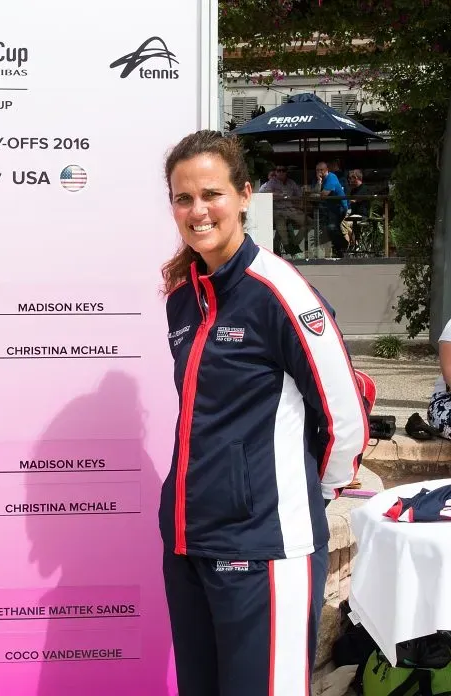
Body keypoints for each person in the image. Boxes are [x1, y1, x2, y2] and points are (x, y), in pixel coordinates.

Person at [159, 130, 368, 696]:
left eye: (212, 194)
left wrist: (309, 492)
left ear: (245, 195)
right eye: (183, 198)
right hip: (190, 545)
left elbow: (344, 414)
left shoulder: (279, 291)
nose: (198, 211)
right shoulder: (184, 297)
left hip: (264, 547)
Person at [258, 165, 305, 255]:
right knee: (281, 223)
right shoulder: (271, 183)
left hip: (291, 210)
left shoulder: (291, 183)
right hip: (277, 210)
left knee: (309, 222)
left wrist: (298, 207)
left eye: (283, 170)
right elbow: (265, 194)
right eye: (278, 170)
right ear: (275, 172)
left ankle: (293, 244)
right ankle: (285, 247)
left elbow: (299, 195)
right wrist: (280, 195)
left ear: (286, 172)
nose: (281, 172)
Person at [315, 161, 349, 258]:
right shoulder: (322, 180)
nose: (319, 172)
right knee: (330, 228)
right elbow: (317, 192)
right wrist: (319, 182)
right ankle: (339, 250)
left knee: (331, 227)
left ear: (326, 170)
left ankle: (344, 245)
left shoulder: (331, 177)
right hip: (330, 208)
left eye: (321, 170)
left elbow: (324, 194)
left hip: (340, 207)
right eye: (317, 170)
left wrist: (319, 194)